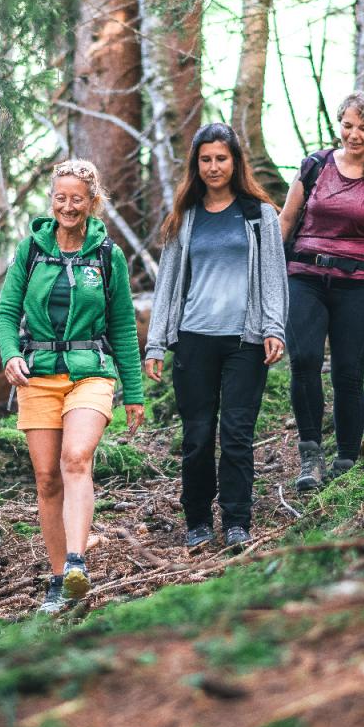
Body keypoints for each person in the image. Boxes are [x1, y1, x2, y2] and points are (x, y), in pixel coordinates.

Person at [0, 159, 144, 614]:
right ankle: (59, 580)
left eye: (77, 199)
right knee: (45, 480)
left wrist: (134, 393)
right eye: (60, 198)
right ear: (52, 200)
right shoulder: (31, 250)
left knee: (75, 458)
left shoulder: (107, 255)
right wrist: (10, 354)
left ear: (92, 202)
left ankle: (78, 562)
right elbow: (5, 314)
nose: (67, 206)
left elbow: (122, 326)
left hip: (90, 371)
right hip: (38, 374)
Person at [145, 123, 288, 550]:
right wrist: (156, 342)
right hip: (194, 339)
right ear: (196, 164)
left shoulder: (259, 214)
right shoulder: (184, 218)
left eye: (220, 158)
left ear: (235, 161)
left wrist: (273, 328)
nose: (213, 167)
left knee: (238, 434)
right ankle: (197, 521)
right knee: (198, 436)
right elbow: (168, 283)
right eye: (205, 159)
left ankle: (238, 521)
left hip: (245, 342)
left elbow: (275, 278)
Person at [279, 90, 364, 492]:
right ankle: (310, 455)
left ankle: (347, 457)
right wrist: (265, 276)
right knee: (304, 360)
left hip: (359, 285)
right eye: (348, 125)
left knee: (349, 374)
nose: (354, 135)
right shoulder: (315, 166)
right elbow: (286, 220)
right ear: (340, 124)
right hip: (304, 276)